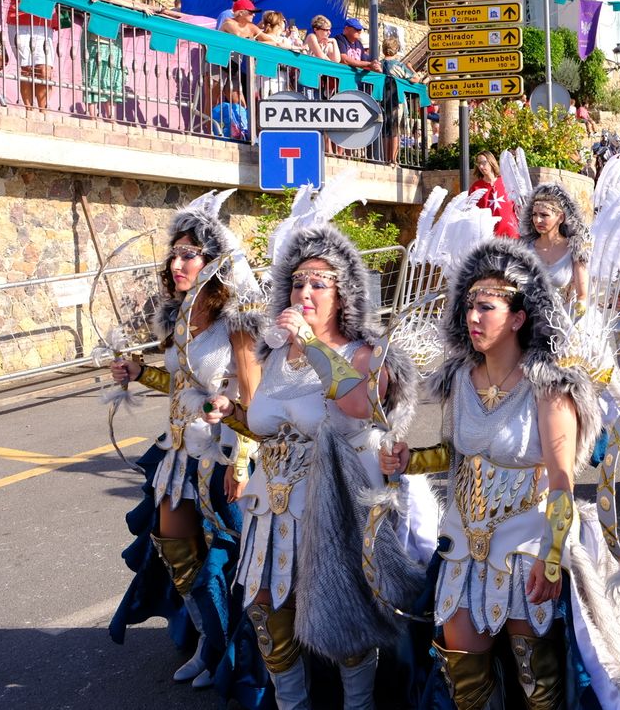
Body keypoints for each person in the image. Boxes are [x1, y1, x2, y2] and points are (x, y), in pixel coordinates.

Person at [381, 239, 620, 709]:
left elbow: (563, 480)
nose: (473, 317)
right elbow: (455, 453)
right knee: (464, 680)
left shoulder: (548, 388)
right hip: (463, 548)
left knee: (537, 685)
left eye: (487, 307)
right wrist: (409, 460)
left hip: (526, 549)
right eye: (468, 306)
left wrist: (551, 555)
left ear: (519, 317)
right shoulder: (461, 379)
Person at [210, 210, 436, 709]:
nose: (304, 294)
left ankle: (359, 704)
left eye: (319, 283)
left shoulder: (363, 353)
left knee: (343, 612)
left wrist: (311, 344)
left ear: (344, 295)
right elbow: (267, 424)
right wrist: (232, 413)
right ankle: (292, 704)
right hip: (271, 505)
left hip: (333, 504)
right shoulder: (273, 355)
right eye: (296, 284)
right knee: (266, 609)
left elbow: (358, 406)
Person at [107, 190, 264, 697]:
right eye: (173, 253)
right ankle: (208, 641)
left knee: (233, 556)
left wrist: (240, 461)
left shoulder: (235, 322)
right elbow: (182, 387)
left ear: (214, 261)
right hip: (178, 454)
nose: (177, 263)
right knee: (175, 547)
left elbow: (252, 399)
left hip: (221, 453)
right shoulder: (179, 317)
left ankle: (235, 653)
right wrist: (139, 372)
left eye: (189, 254)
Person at [519, 183, 591, 312]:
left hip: (561, 320)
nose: (537, 220)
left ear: (560, 217)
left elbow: (582, 295)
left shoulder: (575, 249)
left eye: (544, 215)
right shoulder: (524, 249)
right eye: (534, 214)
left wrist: (580, 306)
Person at [9, 0, 61, 110]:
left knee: (45, 69)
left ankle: (43, 110)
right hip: (20, 22)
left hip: (43, 24)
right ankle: (29, 109)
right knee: (27, 69)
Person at [468, 151, 519, 238]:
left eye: (483, 162)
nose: (481, 166)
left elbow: (517, 206)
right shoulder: (476, 188)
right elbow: (470, 213)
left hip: (511, 233)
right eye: (478, 163)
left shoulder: (506, 181)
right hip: (489, 235)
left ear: (491, 162)